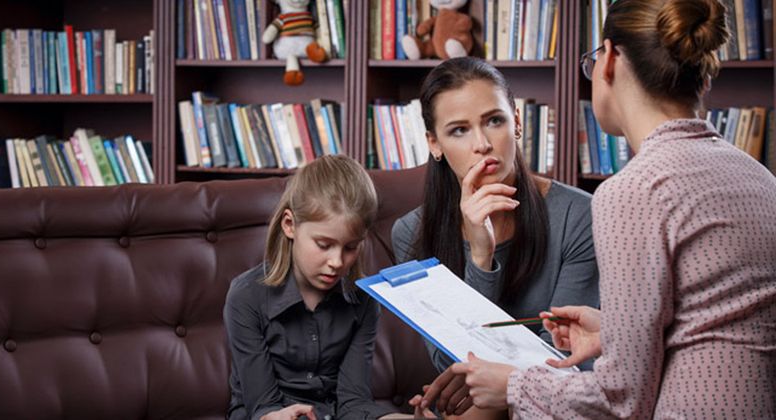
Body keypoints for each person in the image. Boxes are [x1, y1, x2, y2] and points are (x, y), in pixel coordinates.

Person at [418, 0, 776, 418]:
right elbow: (714, 327)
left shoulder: (632, 192)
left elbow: (620, 400)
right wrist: (613, 332)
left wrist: (514, 385)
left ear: (611, 63)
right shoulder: (759, 178)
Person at [391, 56, 600, 418]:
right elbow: (446, 360)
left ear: (516, 122)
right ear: (434, 144)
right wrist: (480, 256)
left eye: (494, 121)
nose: (483, 144)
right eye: (459, 130)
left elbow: (566, 361)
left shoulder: (580, 215)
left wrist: (487, 383)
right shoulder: (410, 232)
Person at [224, 155, 399, 420]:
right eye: (324, 244)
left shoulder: (364, 301)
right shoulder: (246, 296)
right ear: (290, 225)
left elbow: (354, 404)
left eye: (351, 247)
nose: (337, 262)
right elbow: (262, 406)